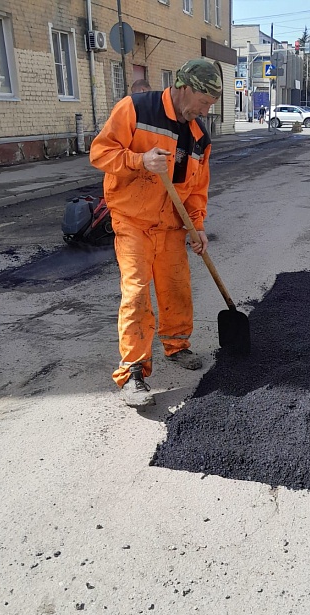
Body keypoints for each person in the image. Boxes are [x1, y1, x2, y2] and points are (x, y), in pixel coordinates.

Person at [90, 58, 222, 406]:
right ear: (185, 88)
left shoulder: (199, 137)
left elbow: (197, 189)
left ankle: (177, 345)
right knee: (136, 292)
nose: (206, 111)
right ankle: (133, 370)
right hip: (133, 219)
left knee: (176, 288)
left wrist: (197, 226)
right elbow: (100, 153)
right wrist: (138, 161)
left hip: (171, 225)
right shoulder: (136, 108)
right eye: (205, 102)